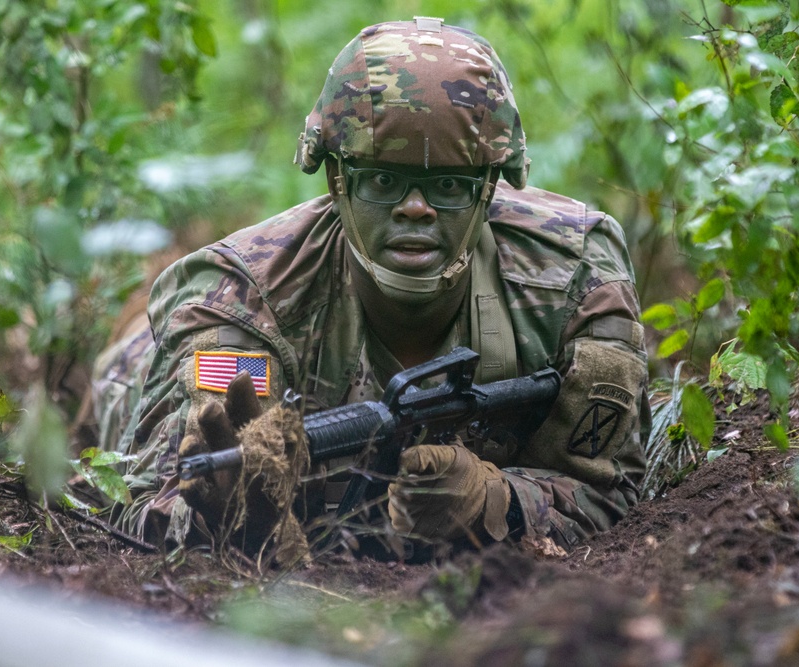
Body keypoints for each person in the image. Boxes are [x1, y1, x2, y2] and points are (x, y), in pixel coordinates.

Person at [90, 17, 650, 565]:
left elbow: (610, 487)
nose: (415, 208)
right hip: (135, 370)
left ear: (488, 191)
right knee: (124, 372)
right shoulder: (241, 303)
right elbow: (144, 502)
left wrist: (496, 501)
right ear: (338, 182)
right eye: (382, 181)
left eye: (448, 185)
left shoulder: (574, 275)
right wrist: (223, 511)